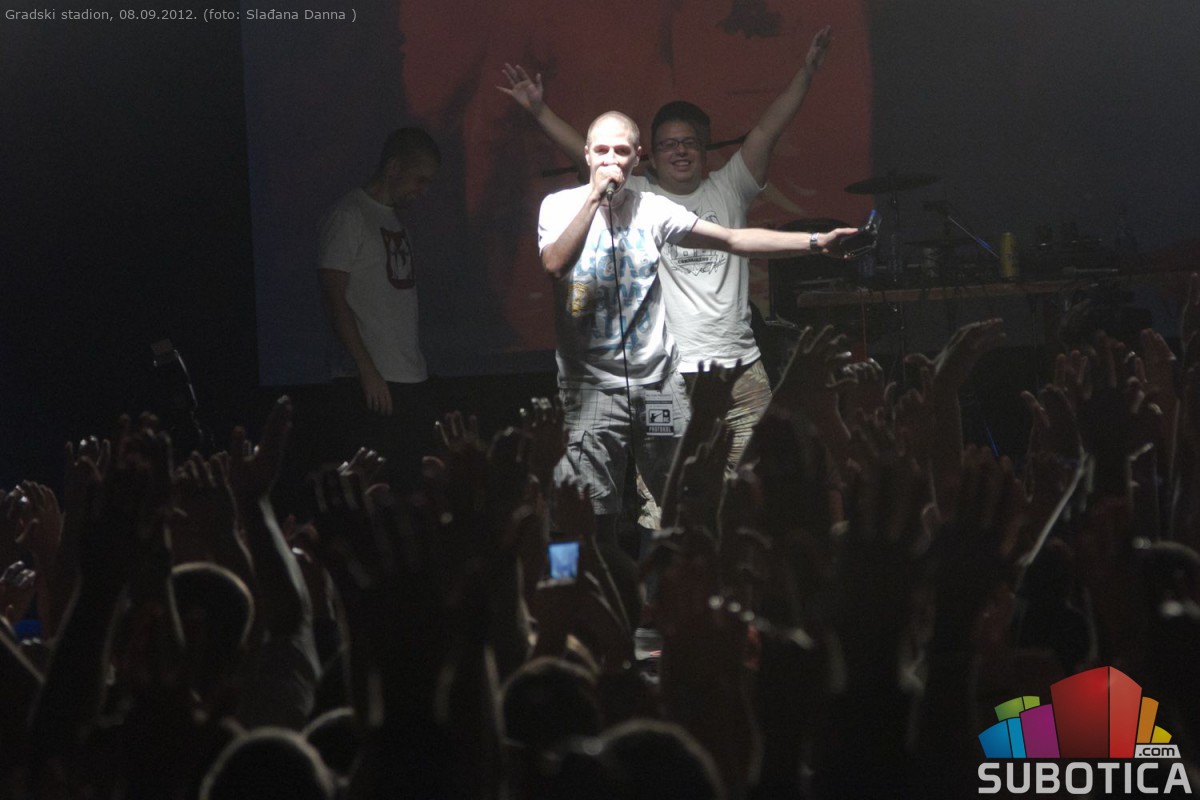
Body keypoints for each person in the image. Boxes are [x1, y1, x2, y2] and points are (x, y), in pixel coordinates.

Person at [505, 25, 833, 471]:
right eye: (668, 145)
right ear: (650, 156)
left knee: (756, 476)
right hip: (670, 372)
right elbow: (590, 151)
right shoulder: (641, 196)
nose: (680, 151)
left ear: (704, 149)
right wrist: (540, 111)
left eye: (689, 143)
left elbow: (768, 130)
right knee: (672, 485)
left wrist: (807, 73)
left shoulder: (731, 186)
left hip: (739, 363)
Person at [537, 110, 854, 548]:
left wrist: (817, 243)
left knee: (679, 504)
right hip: (589, 388)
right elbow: (555, 264)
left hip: (657, 385)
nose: (611, 160)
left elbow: (732, 239)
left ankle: (671, 584)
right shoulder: (558, 205)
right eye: (602, 150)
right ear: (587, 154)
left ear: (637, 158)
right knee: (583, 519)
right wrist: (593, 198)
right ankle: (572, 583)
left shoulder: (652, 209)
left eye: (622, 151)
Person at [317, 127, 441, 491]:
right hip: (372, 382)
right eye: (419, 179)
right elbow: (334, 299)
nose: (423, 190)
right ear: (394, 168)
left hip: (407, 376)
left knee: (410, 487)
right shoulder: (349, 216)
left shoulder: (392, 219)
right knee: (376, 490)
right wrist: (367, 369)